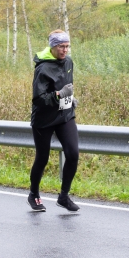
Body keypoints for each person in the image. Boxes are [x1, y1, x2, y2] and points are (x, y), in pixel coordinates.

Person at [27, 29, 80, 213]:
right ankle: (33, 194)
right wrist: (59, 95)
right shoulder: (43, 68)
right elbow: (38, 99)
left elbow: (67, 86)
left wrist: (70, 99)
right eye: (61, 46)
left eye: (67, 46)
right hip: (44, 119)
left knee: (73, 154)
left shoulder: (69, 62)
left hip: (64, 115)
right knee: (42, 158)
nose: (65, 50)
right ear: (52, 47)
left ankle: (64, 196)